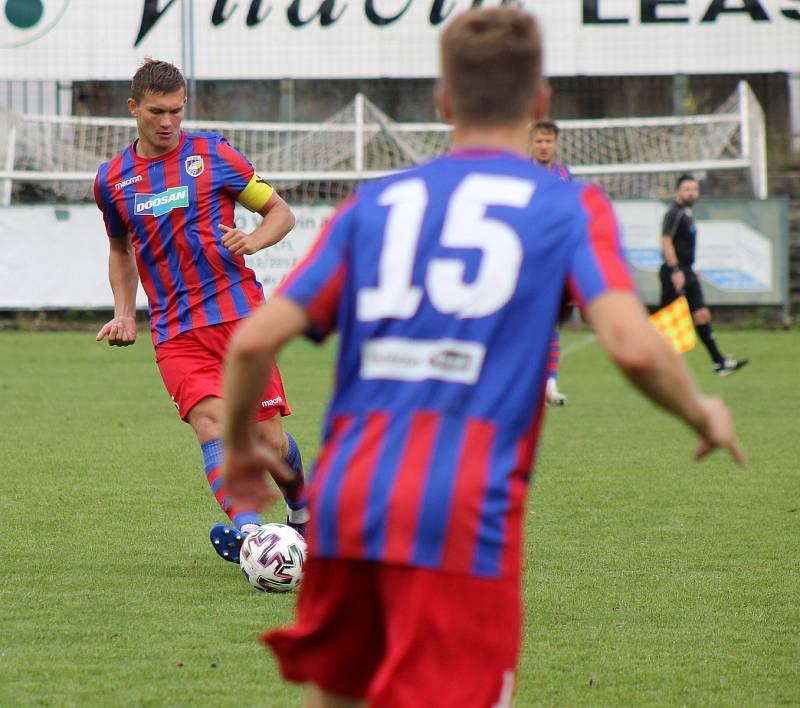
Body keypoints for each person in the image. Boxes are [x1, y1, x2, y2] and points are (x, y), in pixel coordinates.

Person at [221, 9, 745, 707]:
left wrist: (237, 452)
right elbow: (629, 342)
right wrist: (702, 410)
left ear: (443, 101)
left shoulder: (375, 205)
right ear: (540, 102)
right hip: (461, 504)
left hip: (348, 493)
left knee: (339, 696)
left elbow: (254, 341)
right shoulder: (565, 206)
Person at [93, 58, 308, 564]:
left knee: (266, 440)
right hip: (175, 332)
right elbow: (120, 250)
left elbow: (280, 211)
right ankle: (255, 538)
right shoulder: (112, 181)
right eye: (156, 112)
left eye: (176, 111)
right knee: (212, 425)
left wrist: (253, 239)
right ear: (133, 109)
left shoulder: (215, 155)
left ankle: (302, 510)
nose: (168, 122)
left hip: (239, 319)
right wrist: (125, 311)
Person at [660, 174, 748, 376]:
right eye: (687, 189)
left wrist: (690, 269)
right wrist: (675, 270)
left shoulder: (687, 214)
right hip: (676, 272)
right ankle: (660, 367)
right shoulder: (674, 214)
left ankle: (719, 363)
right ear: (678, 192)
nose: (691, 193)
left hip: (687, 271)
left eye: (694, 189)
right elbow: (666, 242)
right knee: (671, 324)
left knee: (702, 315)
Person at [531, 119, 571, 405]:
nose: (544, 146)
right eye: (539, 141)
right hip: (523, 258)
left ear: (556, 144)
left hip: (552, 259)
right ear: (530, 143)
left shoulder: (564, 175)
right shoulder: (519, 173)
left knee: (552, 323)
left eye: (548, 141)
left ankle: (549, 385)